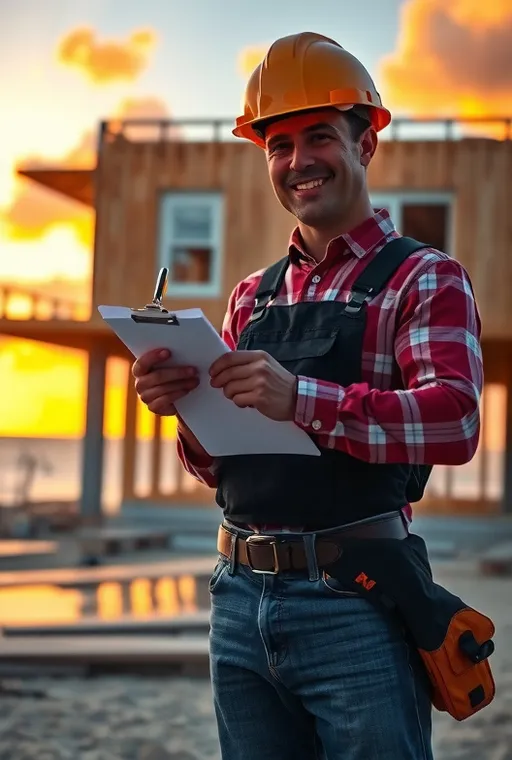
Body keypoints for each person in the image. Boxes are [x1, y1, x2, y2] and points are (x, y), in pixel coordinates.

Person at [132, 32, 483, 760]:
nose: (298, 162)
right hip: (236, 598)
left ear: (367, 145)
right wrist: (185, 414)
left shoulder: (424, 278)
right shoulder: (248, 296)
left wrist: (302, 400)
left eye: (319, 136)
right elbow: (219, 466)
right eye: (279, 145)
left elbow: (455, 419)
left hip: (357, 600)